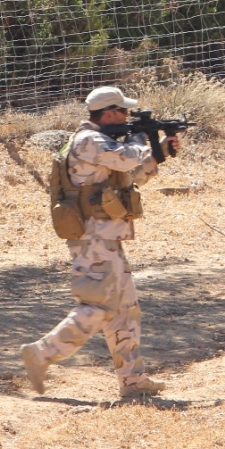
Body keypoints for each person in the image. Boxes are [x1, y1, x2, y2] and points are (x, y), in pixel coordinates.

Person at [20, 86, 179, 397]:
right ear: (109, 114)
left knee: (125, 309)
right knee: (98, 306)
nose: (128, 117)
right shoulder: (88, 141)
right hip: (92, 238)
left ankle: (132, 380)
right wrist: (144, 138)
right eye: (123, 112)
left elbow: (129, 177)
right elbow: (127, 159)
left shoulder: (104, 141)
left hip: (107, 236)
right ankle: (41, 353)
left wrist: (159, 154)